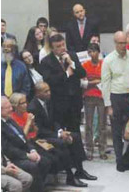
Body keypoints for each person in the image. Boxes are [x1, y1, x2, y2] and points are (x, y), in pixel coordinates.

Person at [39, 34, 96, 180]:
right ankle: (69, 171)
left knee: (76, 134)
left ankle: (80, 169)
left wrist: (72, 64)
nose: (61, 49)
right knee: (65, 137)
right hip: (59, 106)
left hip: (74, 103)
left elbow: (83, 73)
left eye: (63, 45)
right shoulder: (46, 61)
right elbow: (50, 81)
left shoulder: (71, 55)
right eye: (58, 47)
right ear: (52, 48)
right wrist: (66, 74)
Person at [28, 82, 95, 185]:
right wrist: (58, 135)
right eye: (46, 91)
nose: (49, 93)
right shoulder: (33, 107)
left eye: (49, 90)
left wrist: (60, 131)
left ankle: (80, 170)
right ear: (37, 93)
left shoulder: (49, 102)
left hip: (53, 132)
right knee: (62, 143)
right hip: (41, 137)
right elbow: (39, 130)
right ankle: (70, 177)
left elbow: (55, 120)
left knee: (76, 136)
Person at [1, 96, 55, 192]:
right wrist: (26, 155)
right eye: (8, 107)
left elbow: (24, 138)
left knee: (45, 161)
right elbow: (7, 149)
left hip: (25, 151)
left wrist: (32, 151)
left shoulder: (9, 120)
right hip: (14, 157)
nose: (11, 109)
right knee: (32, 167)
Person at [101, 31, 129, 172]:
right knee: (117, 132)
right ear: (115, 43)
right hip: (116, 97)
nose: (123, 45)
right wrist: (108, 105)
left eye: (125, 42)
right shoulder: (108, 60)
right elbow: (105, 84)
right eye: (120, 43)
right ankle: (119, 160)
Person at [81, 43, 107, 160]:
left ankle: (102, 149)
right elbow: (83, 82)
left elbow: (106, 79)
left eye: (95, 51)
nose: (93, 54)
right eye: (90, 52)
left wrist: (92, 81)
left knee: (102, 124)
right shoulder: (85, 65)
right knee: (89, 125)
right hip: (88, 96)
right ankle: (89, 149)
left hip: (102, 97)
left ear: (98, 52)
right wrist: (96, 81)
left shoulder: (104, 64)